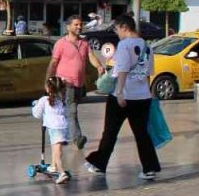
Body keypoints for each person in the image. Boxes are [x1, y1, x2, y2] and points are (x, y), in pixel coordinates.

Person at [85, 15, 161, 180]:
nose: (117, 33)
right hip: (142, 98)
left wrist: (119, 93)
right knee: (142, 134)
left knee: (110, 131)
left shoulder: (125, 45)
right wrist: (147, 93)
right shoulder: (148, 47)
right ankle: (149, 168)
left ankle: (99, 164)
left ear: (125, 27)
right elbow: (148, 74)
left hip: (122, 96)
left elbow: (122, 70)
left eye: (117, 29)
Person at [47, 14, 107, 149]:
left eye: (81, 24)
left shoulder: (84, 43)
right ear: (68, 27)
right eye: (76, 24)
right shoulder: (61, 44)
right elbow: (53, 63)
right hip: (65, 83)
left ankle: (63, 136)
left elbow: (91, 56)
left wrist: (98, 66)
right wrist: (48, 81)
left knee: (67, 110)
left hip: (79, 84)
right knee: (71, 110)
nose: (80, 27)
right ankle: (77, 138)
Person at [32, 76, 72, 184]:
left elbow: (37, 114)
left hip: (55, 129)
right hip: (64, 128)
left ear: (48, 88)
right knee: (58, 150)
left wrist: (35, 106)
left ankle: (61, 172)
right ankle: (53, 166)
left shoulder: (44, 100)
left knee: (56, 152)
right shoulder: (62, 100)